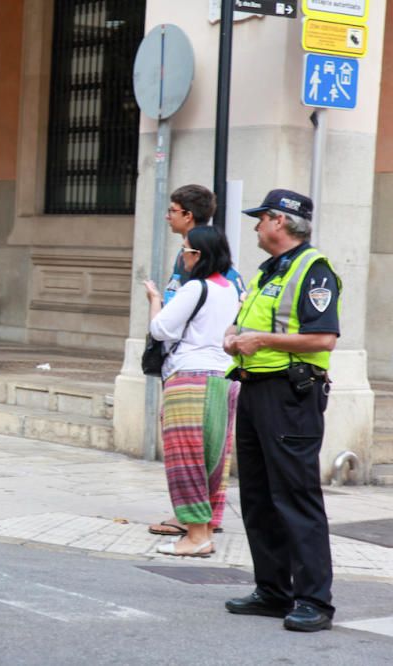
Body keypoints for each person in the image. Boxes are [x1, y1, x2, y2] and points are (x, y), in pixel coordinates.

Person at [222, 189, 340, 633]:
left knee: (295, 496)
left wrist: (261, 341)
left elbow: (324, 338)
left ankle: (314, 600)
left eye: (261, 218)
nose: (256, 226)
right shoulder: (269, 271)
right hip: (254, 389)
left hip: (291, 395)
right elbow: (247, 322)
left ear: (280, 222)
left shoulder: (314, 269)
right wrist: (235, 335)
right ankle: (273, 591)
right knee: (257, 495)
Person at [149, 184, 245, 539]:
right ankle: (206, 518)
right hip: (220, 371)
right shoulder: (227, 277)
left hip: (191, 370)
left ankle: (193, 527)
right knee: (214, 449)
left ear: (188, 216)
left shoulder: (197, 272)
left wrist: (155, 302)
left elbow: (165, 326)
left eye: (173, 210)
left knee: (187, 450)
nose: (168, 216)